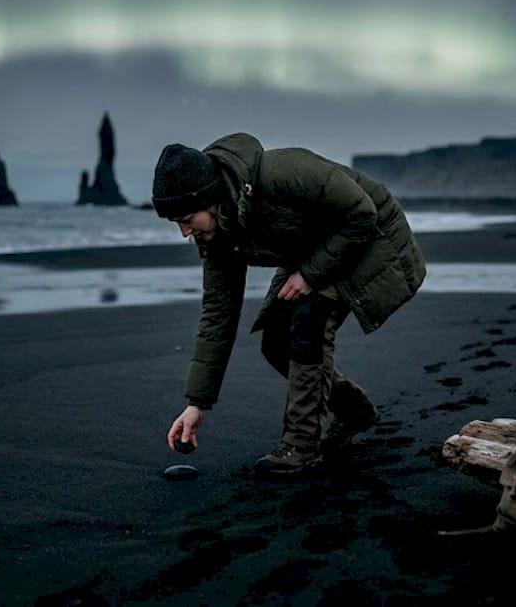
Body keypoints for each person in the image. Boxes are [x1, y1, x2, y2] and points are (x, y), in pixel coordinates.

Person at [155, 132, 426, 476]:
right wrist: (197, 404)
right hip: (314, 248)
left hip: (371, 235)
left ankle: (301, 444)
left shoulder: (283, 173)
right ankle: (354, 410)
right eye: (176, 223)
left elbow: (361, 213)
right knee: (277, 342)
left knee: (308, 322)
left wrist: (310, 276)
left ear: (210, 200)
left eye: (186, 220)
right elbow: (217, 317)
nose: (184, 233)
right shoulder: (217, 234)